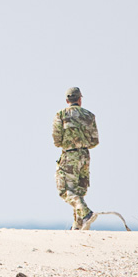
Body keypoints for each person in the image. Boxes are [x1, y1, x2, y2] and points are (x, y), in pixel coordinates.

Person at [52, 86, 99, 230]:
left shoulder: (60, 115)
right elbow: (95, 141)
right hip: (85, 156)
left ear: (67, 100)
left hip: (70, 155)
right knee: (79, 191)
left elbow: (56, 140)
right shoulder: (89, 115)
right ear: (79, 99)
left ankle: (86, 214)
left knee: (65, 190)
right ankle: (78, 225)